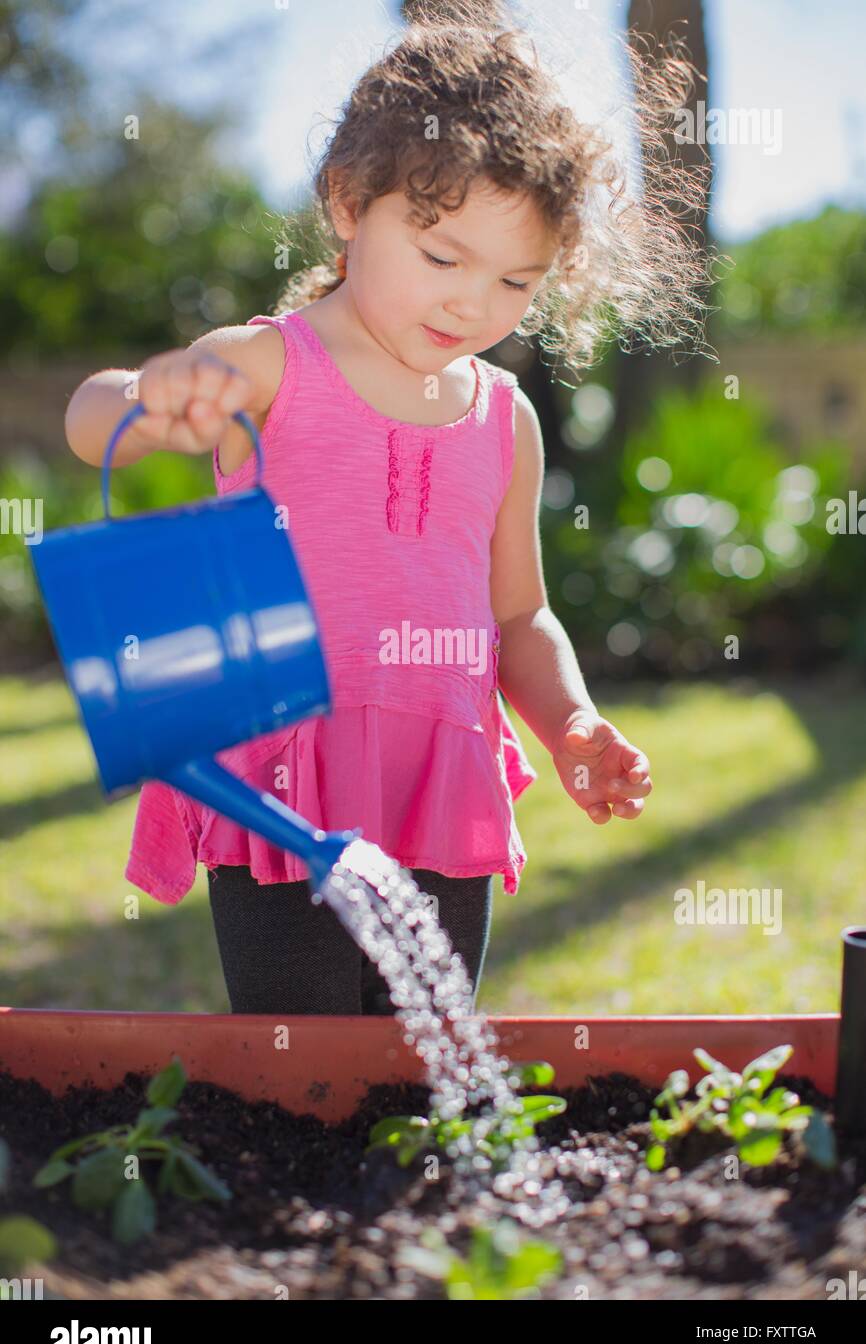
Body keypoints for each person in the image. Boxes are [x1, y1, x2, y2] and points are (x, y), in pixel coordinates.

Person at [65, 0, 714, 1016]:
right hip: (289, 783)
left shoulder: (505, 417)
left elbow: (516, 616)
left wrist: (570, 722)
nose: (471, 304)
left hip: (441, 780)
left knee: (426, 1079)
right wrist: (149, 399)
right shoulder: (272, 364)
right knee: (304, 1072)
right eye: (441, 255)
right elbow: (85, 417)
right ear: (346, 203)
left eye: (515, 280)